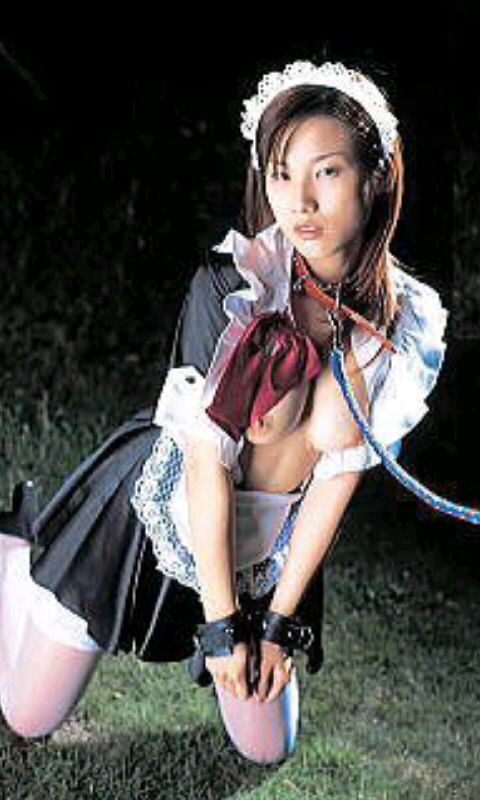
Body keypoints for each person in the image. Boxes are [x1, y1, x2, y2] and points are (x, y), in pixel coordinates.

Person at [0, 58, 448, 764]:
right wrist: (221, 628)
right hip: (162, 511)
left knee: (269, 747)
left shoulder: (407, 322)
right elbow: (205, 462)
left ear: (378, 176)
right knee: (28, 716)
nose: (299, 202)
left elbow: (335, 482)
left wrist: (277, 622)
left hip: (268, 551)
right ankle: (17, 561)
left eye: (327, 172)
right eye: (280, 174)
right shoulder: (233, 286)